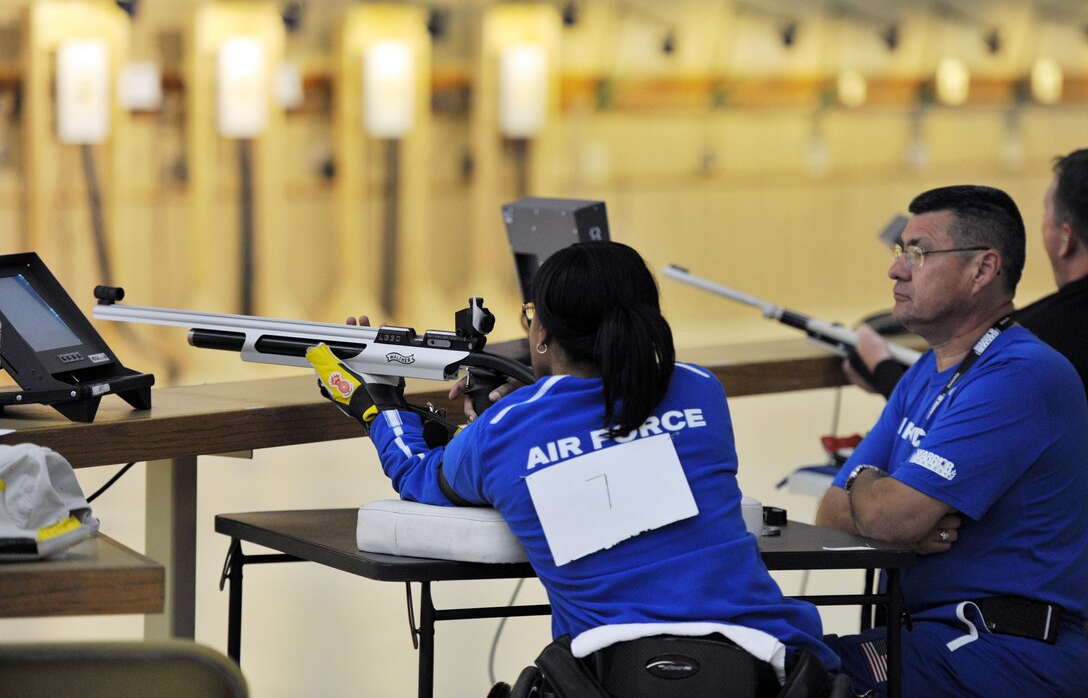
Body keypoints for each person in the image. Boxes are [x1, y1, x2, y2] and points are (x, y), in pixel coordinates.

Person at [309, 241, 841, 694]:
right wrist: (522, 405)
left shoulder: (509, 428)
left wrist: (377, 401)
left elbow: (417, 473)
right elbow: (605, 430)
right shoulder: (701, 389)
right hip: (770, 670)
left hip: (608, 677)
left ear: (541, 334)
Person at [816, 185, 1088, 696]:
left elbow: (889, 517)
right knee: (776, 658)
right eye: (900, 252)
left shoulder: (1020, 375)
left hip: (1004, 652)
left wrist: (877, 497)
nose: (896, 270)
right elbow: (829, 511)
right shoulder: (925, 369)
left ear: (982, 269)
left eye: (916, 253)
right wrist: (878, 499)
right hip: (930, 640)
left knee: (801, 677)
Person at [846, 148, 1088, 397]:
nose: (895, 271)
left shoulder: (1024, 344)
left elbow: (952, 408)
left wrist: (882, 370)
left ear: (1065, 237)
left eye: (1045, 214)